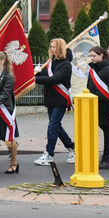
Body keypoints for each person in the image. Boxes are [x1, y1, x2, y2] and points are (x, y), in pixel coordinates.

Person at [33, 38, 75, 166]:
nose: (51, 49)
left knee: (52, 126)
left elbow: (55, 79)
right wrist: (37, 72)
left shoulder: (66, 64)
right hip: (50, 99)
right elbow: (44, 76)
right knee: (56, 126)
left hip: (60, 99)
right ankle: (73, 148)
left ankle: (49, 154)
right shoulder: (50, 62)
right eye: (51, 46)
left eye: (54, 47)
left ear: (60, 48)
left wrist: (36, 79)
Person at [86, 45, 109, 169]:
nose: (92, 58)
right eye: (90, 56)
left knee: (108, 133)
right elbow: (89, 87)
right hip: (94, 106)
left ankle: (106, 159)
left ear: (101, 55)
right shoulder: (93, 69)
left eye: (94, 56)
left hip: (106, 107)